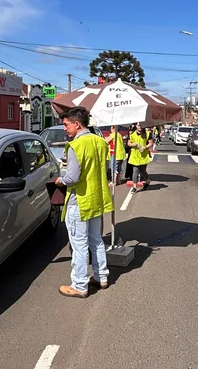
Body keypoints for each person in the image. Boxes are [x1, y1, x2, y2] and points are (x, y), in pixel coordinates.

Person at [54, 106, 113, 298]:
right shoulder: (100, 142)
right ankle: (101, 276)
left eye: (66, 124)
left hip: (79, 200)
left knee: (79, 245)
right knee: (96, 240)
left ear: (77, 124)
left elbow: (72, 178)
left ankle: (80, 285)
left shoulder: (75, 146)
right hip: (96, 198)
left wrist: (60, 180)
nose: (64, 128)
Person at [126, 123, 154, 192]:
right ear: (136, 126)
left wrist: (145, 147)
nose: (140, 126)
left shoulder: (147, 133)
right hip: (135, 155)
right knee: (135, 171)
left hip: (143, 155)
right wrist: (134, 144)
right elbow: (128, 143)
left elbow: (151, 142)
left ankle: (147, 181)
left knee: (143, 171)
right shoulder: (132, 134)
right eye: (139, 125)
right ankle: (134, 187)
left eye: (141, 125)